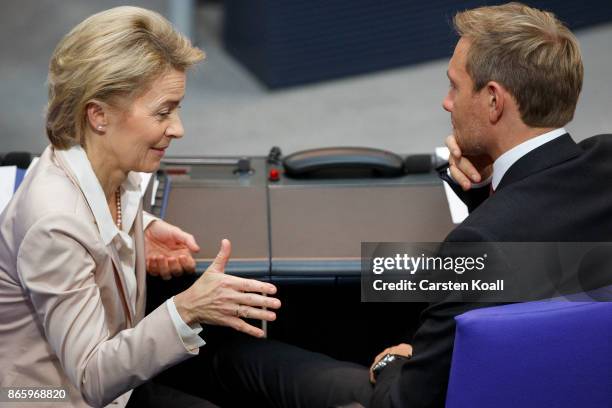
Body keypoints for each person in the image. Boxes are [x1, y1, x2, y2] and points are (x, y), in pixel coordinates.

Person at [196, 3, 612, 407]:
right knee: (385, 275)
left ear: (493, 101)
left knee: (237, 358)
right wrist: (485, 189)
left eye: (455, 85)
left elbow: (403, 401)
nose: (447, 103)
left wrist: (396, 360)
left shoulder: (480, 244)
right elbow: (539, 248)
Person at [0, 7, 280, 408]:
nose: (179, 128)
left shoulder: (110, 160)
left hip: (121, 369)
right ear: (98, 115)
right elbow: (92, 379)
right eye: (163, 111)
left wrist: (139, 225)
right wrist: (186, 309)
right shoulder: (54, 225)